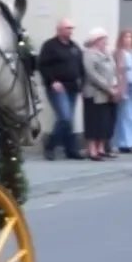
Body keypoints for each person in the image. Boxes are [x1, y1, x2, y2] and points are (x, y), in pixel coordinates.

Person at [37, 17, 84, 160]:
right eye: (68, 28)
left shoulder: (74, 46)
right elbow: (42, 65)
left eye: (72, 28)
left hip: (72, 86)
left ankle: (71, 150)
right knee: (65, 117)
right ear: (59, 30)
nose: (71, 31)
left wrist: (81, 80)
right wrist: (52, 81)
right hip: (58, 86)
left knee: (69, 119)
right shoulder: (50, 46)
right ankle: (50, 146)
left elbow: (80, 65)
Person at [81, 28, 118, 161]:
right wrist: (108, 88)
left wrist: (114, 85)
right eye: (103, 40)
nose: (105, 42)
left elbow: (113, 70)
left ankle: (101, 148)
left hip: (107, 93)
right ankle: (92, 150)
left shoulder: (107, 53)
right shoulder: (89, 54)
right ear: (96, 41)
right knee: (93, 121)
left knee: (104, 121)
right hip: (94, 93)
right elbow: (92, 75)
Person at [113, 30, 132, 152]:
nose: (128, 39)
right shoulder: (119, 53)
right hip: (125, 84)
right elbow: (118, 70)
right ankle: (124, 142)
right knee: (125, 114)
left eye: (130, 37)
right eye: (125, 37)